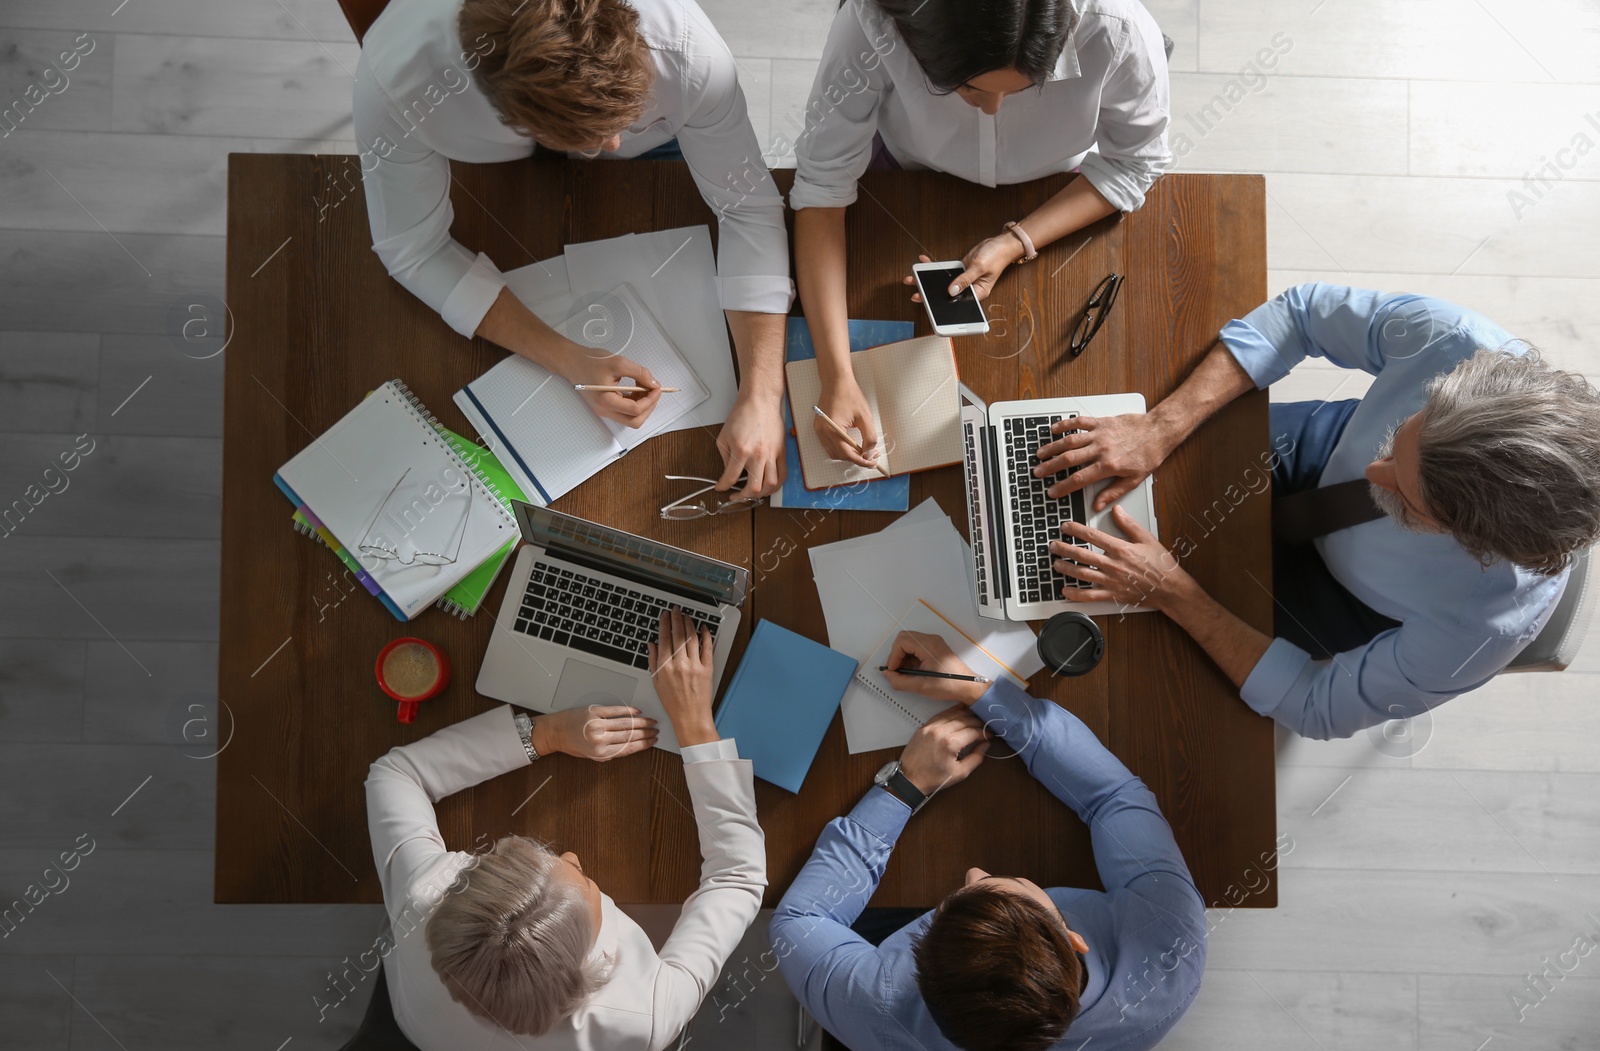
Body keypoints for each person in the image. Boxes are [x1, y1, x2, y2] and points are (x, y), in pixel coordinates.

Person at [1030, 282, 1600, 739]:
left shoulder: (1483, 627)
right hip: (1311, 451)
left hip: (1336, 603)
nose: (1372, 476)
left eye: (1405, 495)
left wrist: (1174, 593)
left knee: (1138, 665)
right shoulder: (1455, 343)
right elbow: (1301, 315)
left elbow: (1313, 705)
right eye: (1399, 441)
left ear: (1471, 543)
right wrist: (1160, 426)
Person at [354, 0, 794, 496]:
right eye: (588, 136)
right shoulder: (399, 83)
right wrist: (568, 358)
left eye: (623, 121)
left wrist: (761, 395)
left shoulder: (690, 54)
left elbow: (747, 209)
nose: (612, 144)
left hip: (667, 143)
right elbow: (413, 250)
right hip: (492, 175)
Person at [770, 631, 1207, 1051]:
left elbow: (799, 921)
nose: (974, 872)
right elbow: (1114, 796)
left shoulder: (884, 1007)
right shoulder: (1170, 945)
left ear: (920, 978)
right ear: (1073, 940)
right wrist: (978, 691)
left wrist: (906, 785)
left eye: (947, 906)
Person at [790, 0, 1170, 470]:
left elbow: (1133, 163)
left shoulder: (1120, 29)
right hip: (907, 172)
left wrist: (1015, 243)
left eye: (1024, 89)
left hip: (1059, 189)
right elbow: (822, 186)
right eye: (966, 88)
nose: (991, 109)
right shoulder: (873, 22)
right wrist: (836, 375)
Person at [364, 610, 764, 1049]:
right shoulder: (643, 1016)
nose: (572, 857)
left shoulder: (426, 898)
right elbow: (737, 876)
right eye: (588, 884)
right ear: (587, 966)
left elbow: (396, 774)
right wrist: (695, 725)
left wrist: (547, 733)